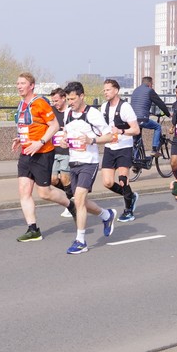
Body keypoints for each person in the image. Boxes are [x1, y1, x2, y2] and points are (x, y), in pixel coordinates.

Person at [11, 72, 73, 242]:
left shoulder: (40, 103)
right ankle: (33, 229)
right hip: (26, 153)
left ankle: (71, 204)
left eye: (22, 83)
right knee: (24, 191)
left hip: (42, 153)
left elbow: (54, 125)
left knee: (45, 193)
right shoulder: (21, 104)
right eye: (18, 83)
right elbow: (29, 127)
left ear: (31, 86)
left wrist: (40, 142)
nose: (19, 86)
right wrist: (20, 139)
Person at [59, 82, 118, 254]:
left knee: (78, 199)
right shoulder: (68, 113)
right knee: (81, 201)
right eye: (68, 99)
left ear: (81, 96)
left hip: (89, 162)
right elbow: (66, 132)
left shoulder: (93, 114)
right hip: (73, 161)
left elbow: (110, 136)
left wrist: (91, 140)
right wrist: (64, 140)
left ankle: (81, 241)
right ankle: (106, 215)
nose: (70, 102)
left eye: (72, 99)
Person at [99, 79, 141, 222]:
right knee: (107, 182)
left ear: (116, 90)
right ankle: (131, 196)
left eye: (108, 90)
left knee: (123, 179)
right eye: (104, 90)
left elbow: (136, 130)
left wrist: (121, 131)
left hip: (124, 147)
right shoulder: (103, 107)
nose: (105, 92)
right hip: (110, 147)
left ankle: (128, 210)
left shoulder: (125, 107)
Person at [48, 88, 75, 217]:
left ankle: (70, 205)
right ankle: (72, 194)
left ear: (64, 98)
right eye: (53, 101)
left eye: (57, 101)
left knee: (64, 178)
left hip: (67, 150)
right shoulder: (51, 111)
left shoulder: (70, 112)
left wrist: (68, 130)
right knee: (52, 180)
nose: (55, 103)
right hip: (54, 150)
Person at [129, 75, 171, 156]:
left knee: (136, 141)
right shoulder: (149, 91)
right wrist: (168, 114)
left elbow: (139, 104)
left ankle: (135, 160)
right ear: (149, 83)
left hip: (133, 120)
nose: (152, 86)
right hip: (142, 119)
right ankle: (154, 149)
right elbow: (160, 103)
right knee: (157, 127)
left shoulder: (135, 91)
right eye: (152, 84)